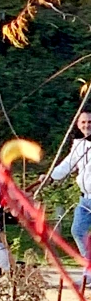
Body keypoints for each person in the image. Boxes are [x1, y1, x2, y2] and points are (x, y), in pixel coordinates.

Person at [47, 105, 91, 262]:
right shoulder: (79, 144)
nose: (87, 125)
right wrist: (50, 177)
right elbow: (68, 164)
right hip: (85, 199)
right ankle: (89, 269)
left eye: (90, 122)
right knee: (78, 231)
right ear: (78, 125)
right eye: (83, 122)